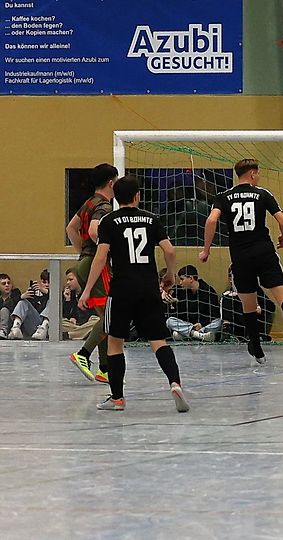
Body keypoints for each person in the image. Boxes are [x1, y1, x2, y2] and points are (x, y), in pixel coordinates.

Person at [79, 176, 188, 413]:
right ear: (137, 196)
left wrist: (87, 290)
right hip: (149, 289)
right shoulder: (151, 218)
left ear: (116, 198)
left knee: (115, 343)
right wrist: (170, 274)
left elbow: (100, 257)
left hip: (121, 290)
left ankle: (117, 398)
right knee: (158, 341)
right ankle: (175, 383)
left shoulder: (109, 221)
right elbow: (169, 250)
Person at [200, 159, 283, 362]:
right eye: (258, 173)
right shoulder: (262, 194)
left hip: (240, 257)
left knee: (249, 306)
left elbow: (211, 220)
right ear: (252, 173)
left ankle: (257, 349)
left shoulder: (223, 197)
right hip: (264, 252)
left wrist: (206, 250)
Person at [65, 163, 117, 382]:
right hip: (97, 263)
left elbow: (71, 228)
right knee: (111, 317)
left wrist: (83, 253)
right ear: (111, 183)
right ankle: (83, 354)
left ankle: (104, 369)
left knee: (104, 317)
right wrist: (101, 250)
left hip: (85, 261)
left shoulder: (88, 203)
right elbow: (94, 231)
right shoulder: (104, 206)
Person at [166, 265, 222, 341]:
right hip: (189, 324)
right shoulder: (182, 291)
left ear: (191, 278)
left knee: (218, 322)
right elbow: (173, 289)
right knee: (169, 321)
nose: (180, 282)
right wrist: (172, 298)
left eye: (182, 279)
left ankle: (189, 334)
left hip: (203, 324)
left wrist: (201, 324)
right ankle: (198, 335)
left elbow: (214, 314)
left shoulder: (208, 291)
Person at [221, 265, 275, 342]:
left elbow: (271, 306)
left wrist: (260, 308)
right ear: (230, 279)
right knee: (226, 298)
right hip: (236, 328)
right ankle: (228, 333)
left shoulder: (254, 289)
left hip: (253, 323)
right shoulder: (227, 294)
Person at [6, 270, 51, 340]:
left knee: (53, 301)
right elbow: (9, 306)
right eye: (44, 282)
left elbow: (61, 303)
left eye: (49, 282)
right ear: (40, 282)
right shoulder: (33, 295)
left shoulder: (58, 295)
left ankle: (43, 328)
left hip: (50, 328)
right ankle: (15, 328)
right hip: (34, 326)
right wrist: (22, 297)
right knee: (23, 302)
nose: (47, 285)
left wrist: (46, 292)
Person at [63, 267, 100, 340]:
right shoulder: (71, 294)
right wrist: (67, 300)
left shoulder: (89, 293)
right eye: (67, 280)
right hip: (77, 326)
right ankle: (81, 334)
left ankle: (70, 334)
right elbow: (66, 315)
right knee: (60, 322)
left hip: (87, 323)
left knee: (97, 321)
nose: (68, 283)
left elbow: (95, 313)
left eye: (70, 279)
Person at [0, 273, 22, 339]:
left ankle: (3, 331)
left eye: (8, 283)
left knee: (4, 310)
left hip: (11, 324)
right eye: (3, 284)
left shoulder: (16, 293)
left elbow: (12, 305)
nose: (7, 285)